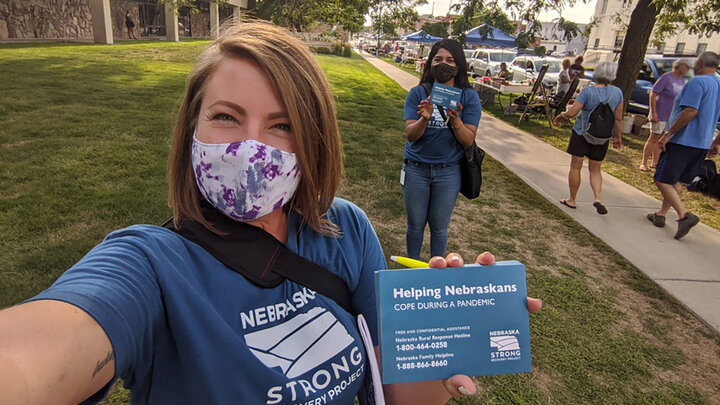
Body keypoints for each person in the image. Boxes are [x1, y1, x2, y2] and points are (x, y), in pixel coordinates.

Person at [0, 21, 542, 404]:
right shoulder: (150, 266)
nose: (251, 147)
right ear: (192, 129)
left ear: (312, 141)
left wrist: (443, 347)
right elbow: (37, 355)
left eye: (281, 125)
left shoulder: (344, 229)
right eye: (226, 116)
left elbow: (394, 394)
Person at [402, 39, 482, 260]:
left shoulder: (469, 97)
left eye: (449, 60)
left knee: (439, 228)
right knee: (415, 226)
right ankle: (412, 267)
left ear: (459, 65)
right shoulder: (418, 93)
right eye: (438, 59)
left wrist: (456, 120)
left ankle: (437, 270)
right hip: (415, 169)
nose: (443, 64)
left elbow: (468, 141)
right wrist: (424, 119)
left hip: (449, 171)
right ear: (430, 63)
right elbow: (411, 135)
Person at [648, 52, 720, 240]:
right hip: (702, 143)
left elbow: (690, 111)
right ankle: (661, 215)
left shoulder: (698, 83)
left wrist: (668, 134)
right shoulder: (718, 84)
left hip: (683, 141)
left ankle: (684, 215)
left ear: (701, 63)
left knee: (661, 178)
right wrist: (716, 142)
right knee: (676, 181)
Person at [553, 62, 624, 215]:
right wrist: (617, 137)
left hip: (581, 133)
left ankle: (572, 199)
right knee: (595, 169)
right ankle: (598, 198)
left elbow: (573, 112)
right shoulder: (617, 93)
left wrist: (562, 116)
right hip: (602, 137)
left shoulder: (588, 92)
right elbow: (618, 119)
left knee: (576, 167)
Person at [640, 59, 693, 171]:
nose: (688, 70)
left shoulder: (683, 81)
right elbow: (653, 94)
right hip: (660, 113)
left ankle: (655, 162)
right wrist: (653, 112)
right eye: (686, 67)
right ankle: (644, 162)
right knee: (654, 137)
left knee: (662, 138)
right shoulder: (666, 78)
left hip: (672, 115)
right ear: (679, 66)